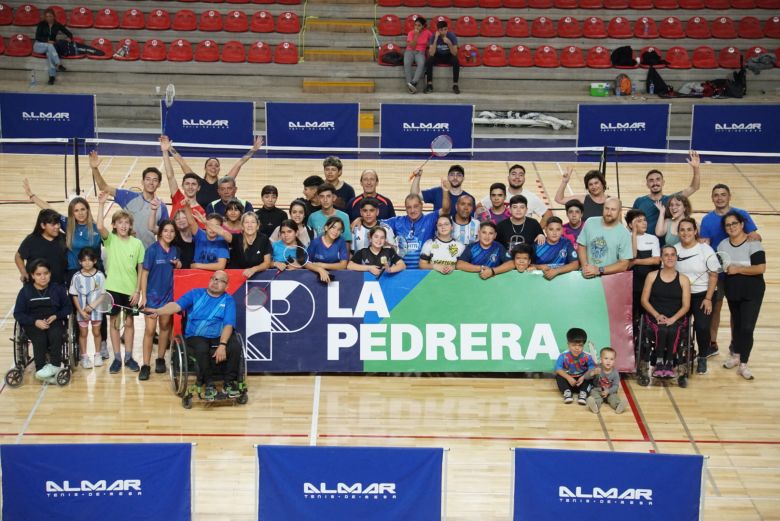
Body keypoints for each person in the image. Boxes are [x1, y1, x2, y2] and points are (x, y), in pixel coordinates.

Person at [145, 271, 242, 400]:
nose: (215, 282)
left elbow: (228, 324)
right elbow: (176, 306)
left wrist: (223, 344)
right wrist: (159, 311)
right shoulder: (195, 293)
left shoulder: (228, 300)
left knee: (235, 345)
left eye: (220, 281)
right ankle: (209, 384)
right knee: (201, 347)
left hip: (218, 335)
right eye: (214, 279)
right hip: (196, 335)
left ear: (226, 286)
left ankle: (229, 383)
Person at [699, 184, 761, 356]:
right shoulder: (707, 220)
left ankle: (736, 344)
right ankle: (712, 343)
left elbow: (756, 236)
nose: (719, 198)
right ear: (712, 198)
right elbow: (705, 244)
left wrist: (748, 239)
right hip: (717, 273)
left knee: (737, 310)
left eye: (723, 194)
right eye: (716, 195)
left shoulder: (741, 215)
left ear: (729, 196)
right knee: (715, 308)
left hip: (738, 273)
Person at [97, 192, 145, 374]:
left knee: (130, 324)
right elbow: (100, 225)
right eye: (120, 223)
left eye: (127, 223)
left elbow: (140, 269)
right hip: (113, 289)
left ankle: (129, 357)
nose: (123, 226)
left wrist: (137, 291)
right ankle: (117, 358)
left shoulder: (137, 244)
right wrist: (101, 204)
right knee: (115, 323)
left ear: (130, 225)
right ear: (115, 225)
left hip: (130, 290)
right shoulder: (110, 240)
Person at [718, 211, 766, 381]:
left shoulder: (753, 242)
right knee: (737, 324)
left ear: (742, 225)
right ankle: (736, 356)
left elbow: (760, 268)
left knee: (747, 327)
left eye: (734, 224)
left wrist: (737, 269)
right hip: (733, 290)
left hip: (752, 291)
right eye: (728, 225)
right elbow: (722, 267)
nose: (731, 227)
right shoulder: (723, 245)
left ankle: (744, 364)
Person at [90, 150, 169, 249]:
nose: (151, 183)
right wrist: (94, 168)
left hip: (147, 252)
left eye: (155, 180)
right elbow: (104, 187)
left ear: (159, 184)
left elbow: (164, 232)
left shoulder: (161, 207)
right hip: (126, 251)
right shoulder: (128, 197)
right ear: (142, 181)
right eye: (148, 179)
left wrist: (154, 229)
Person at [24, 181, 102, 279]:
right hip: (73, 271)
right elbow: (49, 209)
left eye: (83, 209)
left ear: (87, 210)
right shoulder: (68, 224)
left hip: (94, 271)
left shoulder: (98, 228)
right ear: (72, 213)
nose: (80, 213)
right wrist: (32, 196)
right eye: (76, 210)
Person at [14, 259, 72, 383]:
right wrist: (35, 321)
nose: (43, 277)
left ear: (50, 274)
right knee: (39, 338)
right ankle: (40, 369)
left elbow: (68, 307)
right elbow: (18, 313)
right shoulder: (25, 292)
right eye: (39, 274)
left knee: (56, 334)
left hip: (53, 319)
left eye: (46, 273)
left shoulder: (58, 289)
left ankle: (54, 367)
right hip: (33, 323)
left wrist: (57, 316)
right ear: (32, 276)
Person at [640, 245, 691, 385]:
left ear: (676, 257)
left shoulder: (684, 279)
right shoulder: (652, 276)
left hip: (676, 316)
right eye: (666, 255)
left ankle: (670, 362)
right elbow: (644, 300)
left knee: (673, 329)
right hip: (655, 315)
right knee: (661, 329)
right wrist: (657, 315)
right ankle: (659, 361)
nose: (670, 257)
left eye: (672, 254)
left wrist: (673, 319)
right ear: (661, 258)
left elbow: (686, 305)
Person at [169, 136, 263, 209]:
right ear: (205, 168)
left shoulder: (223, 183)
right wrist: (169, 148)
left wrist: (253, 150)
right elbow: (182, 163)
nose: (213, 167)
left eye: (216, 165)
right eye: (210, 165)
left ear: (219, 169)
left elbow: (239, 163)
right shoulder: (197, 182)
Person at [674, 218, 717, 375]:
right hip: (681, 295)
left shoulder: (706, 250)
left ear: (695, 231)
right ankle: (682, 354)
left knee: (702, 326)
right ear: (678, 232)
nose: (686, 233)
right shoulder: (675, 250)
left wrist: (708, 298)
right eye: (682, 230)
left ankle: (703, 356)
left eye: (689, 229)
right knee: (679, 326)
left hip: (703, 295)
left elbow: (713, 276)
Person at [139, 220, 180, 380]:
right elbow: (144, 273)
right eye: (166, 231)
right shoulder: (152, 250)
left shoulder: (175, 250)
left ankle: (161, 358)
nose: (169, 234)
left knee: (165, 327)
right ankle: (145, 365)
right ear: (160, 233)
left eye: (172, 231)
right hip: (152, 297)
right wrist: (144, 296)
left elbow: (178, 268)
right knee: (150, 330)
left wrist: (179, 264)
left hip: (168, 297)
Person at [383, 175, 452, 269]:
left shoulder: (430, 219)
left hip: (423, 273)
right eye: (409, 207)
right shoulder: (397, 221)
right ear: (405, 208)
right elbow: (376, 223)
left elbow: (446, 209)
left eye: (416, 206)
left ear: (421, 206)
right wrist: (360, 219)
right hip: (400, 271)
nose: (412, 210)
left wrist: (445, 190)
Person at [631, 151, 701, 236]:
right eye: (651, 180)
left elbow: (694, 187)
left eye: (658, 179)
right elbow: (631, 222)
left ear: (663, 182)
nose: (655, 183)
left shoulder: (670, 200)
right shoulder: (639, 201)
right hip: (643, 243)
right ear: (647, 184)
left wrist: (696, 168)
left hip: (665, 246)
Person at [477, 165, 551, 227]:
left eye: (521, 175)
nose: (517, 177)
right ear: (508, 177)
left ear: (524, 179)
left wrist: (537, 231)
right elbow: (479, 206)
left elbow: (548, 214)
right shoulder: (499, 193)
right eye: (513, 174)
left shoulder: (531, 197)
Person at [577, 197, 632, 279]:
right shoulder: (590, 222)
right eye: (607, 208)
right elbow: (582, 245)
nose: (609, 213)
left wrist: (599, 270)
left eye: (613, 210)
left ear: (620, 212)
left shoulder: (624, 234)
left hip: (610, 280)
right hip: (586, 277)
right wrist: (585, 266)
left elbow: (624, 264)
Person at [69, 248, 105, 369]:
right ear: (79, 262)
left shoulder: (100, 276)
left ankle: (98, 355)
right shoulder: (76, 277)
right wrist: (80, 311)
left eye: (90, 260)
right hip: (82, 313)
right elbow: (74, 295)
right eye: (84, 260)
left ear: (95, 261)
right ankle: (84, 356)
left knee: (97, 332)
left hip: (97, 311)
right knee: (83, 333)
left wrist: (92, 306)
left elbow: (103, 294)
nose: (87, 263)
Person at [625, 209, 660, 336]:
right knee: (633, 314)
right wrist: (633, 234)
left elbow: (656, 260)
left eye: (644, 220)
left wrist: (636, 262)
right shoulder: (625, 238)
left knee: (647, 314)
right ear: (630, 225)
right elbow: (630, 256)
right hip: (631, 284)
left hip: (649, 283)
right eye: (639, 221)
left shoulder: (653, 238)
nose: (644, 223)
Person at [160, 136, 206, 227]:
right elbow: (170, 176)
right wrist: (165, 151)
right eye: (187, 184)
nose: (190, 187)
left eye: (193, 184)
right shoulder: (178, 198)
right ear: (182, 186)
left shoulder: (200, 211)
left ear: (198, 188)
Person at [15, 209, 68, 286]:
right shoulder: (31, 240)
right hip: (34, 288)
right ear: (43, 225)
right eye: (53, 224)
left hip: (58, 287)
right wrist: (23, 272)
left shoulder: (64, 239)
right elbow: (18, 256)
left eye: (58, 223)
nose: (57, 227)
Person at [554, 327, 596, 405]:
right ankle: (567, 392)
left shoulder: (587, 356)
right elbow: (558, 369)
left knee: (591, 376)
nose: (577, 348)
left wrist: (583, 377)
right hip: (569, 380)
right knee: (559, 376)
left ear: (584, 345)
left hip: (581, 379)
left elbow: (592, 368)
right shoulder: (563, 356)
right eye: (573, 345)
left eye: (580, 345)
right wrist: (568, 378)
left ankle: (583, 393)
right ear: (568, 344)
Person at [34, 7, 72, 85]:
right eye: (47, 16)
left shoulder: (57, 25)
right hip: (39, 45)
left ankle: (52, 77)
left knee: (49, 52)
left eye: (50, 16)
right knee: (50, 45)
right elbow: (37, 37)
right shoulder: (41, 24)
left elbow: (69, 33)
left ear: (54, 16)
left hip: (49, 47)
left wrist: (69, 38)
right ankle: (59, 64)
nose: (48, 18)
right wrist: (47, 41)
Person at [185, 205, 230, 272]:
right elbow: (191, 222)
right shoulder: (200, 235)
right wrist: (186, 205)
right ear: (205, 226)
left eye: (215, 227)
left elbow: (221, 266)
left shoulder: (222, 241)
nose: (212, 229)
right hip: (196, 274)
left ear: (220, 229)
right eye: (210, 225)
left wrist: (197, 265)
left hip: (213, 276)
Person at [584, 347, 628, 414]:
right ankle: (595, 406)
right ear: (601, 359)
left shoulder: (615, 373)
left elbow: (616, 386)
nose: (608, 361)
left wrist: (608, 391)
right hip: (597, 390)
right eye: (606, 358)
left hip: (610, 392)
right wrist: (593, 373)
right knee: (595, 395)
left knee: (613, 398)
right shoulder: (597, 368)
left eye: (611, 359)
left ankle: (618, 406)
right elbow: (586, 377)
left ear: (614, 361)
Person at [307, 216, 349, 281]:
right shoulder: (315, 242)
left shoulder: (341, 241)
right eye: (333, 227)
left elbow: (343, 265)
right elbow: (306, 263)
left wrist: (322, 265)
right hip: (314, 276)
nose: (336, 231)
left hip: (336, 276)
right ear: (326, 228)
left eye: (339, 229)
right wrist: (319, 269)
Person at [424, 20, 460, 94]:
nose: (443, 32)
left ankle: (455, 85)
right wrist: (436, 40)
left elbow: (455, 53)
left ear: (447, 29)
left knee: (456, 61)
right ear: (438, 30)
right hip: (438, 55)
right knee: (429, 60)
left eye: (445, 29)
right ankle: (429, 84)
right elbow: (431, 53)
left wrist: (449, 43)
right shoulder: (434, 36)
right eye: (441, 30)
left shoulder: (451, 36)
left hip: (449, 55)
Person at [404, 16, 431, 93]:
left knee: (421, 63)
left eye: (419, 25)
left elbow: (432, 39)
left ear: (423, 26)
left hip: (420, 52)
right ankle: (410, 85)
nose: (416, 27)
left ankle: (414, 83)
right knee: (406, 63)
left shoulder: (427, 32)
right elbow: (412, 46)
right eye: (415, 25)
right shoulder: (411, 33)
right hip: (409, 51)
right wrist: (416, 35)